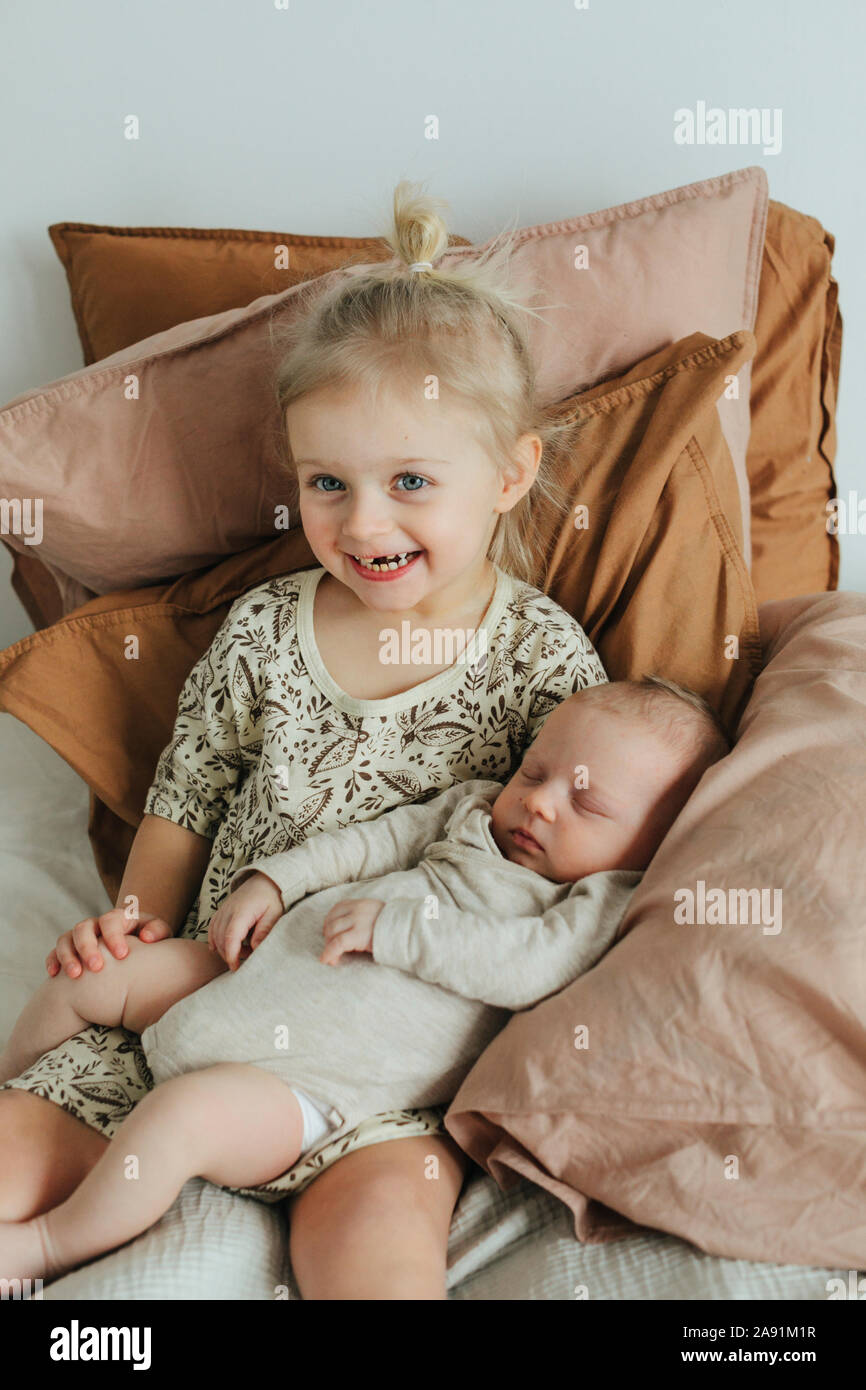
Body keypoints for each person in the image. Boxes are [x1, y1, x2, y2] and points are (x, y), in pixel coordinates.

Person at [0, 179, 610, 1300]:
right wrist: (130, 932)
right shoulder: (267, 632)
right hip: (206, 997)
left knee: (376, 1258)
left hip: (379, 1072)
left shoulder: (544, 662)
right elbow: (185, 797)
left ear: (511, 475)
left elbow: (592, 852)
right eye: (326, 483)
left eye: (410, 482)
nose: (362, 523)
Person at [0, 677, 731, 1284]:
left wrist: (398, 931)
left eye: (588, 803)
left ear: (655, 843)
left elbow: (531, 968)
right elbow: (372, 842)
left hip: (311, 1085)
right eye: (534, 773)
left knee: (181, 1117)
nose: (539, 801)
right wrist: (274, 884)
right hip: (253, 978)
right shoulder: (474, 808)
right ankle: (16, 1077)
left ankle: (48, 1245)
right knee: (93, 971)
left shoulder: (593, 903)